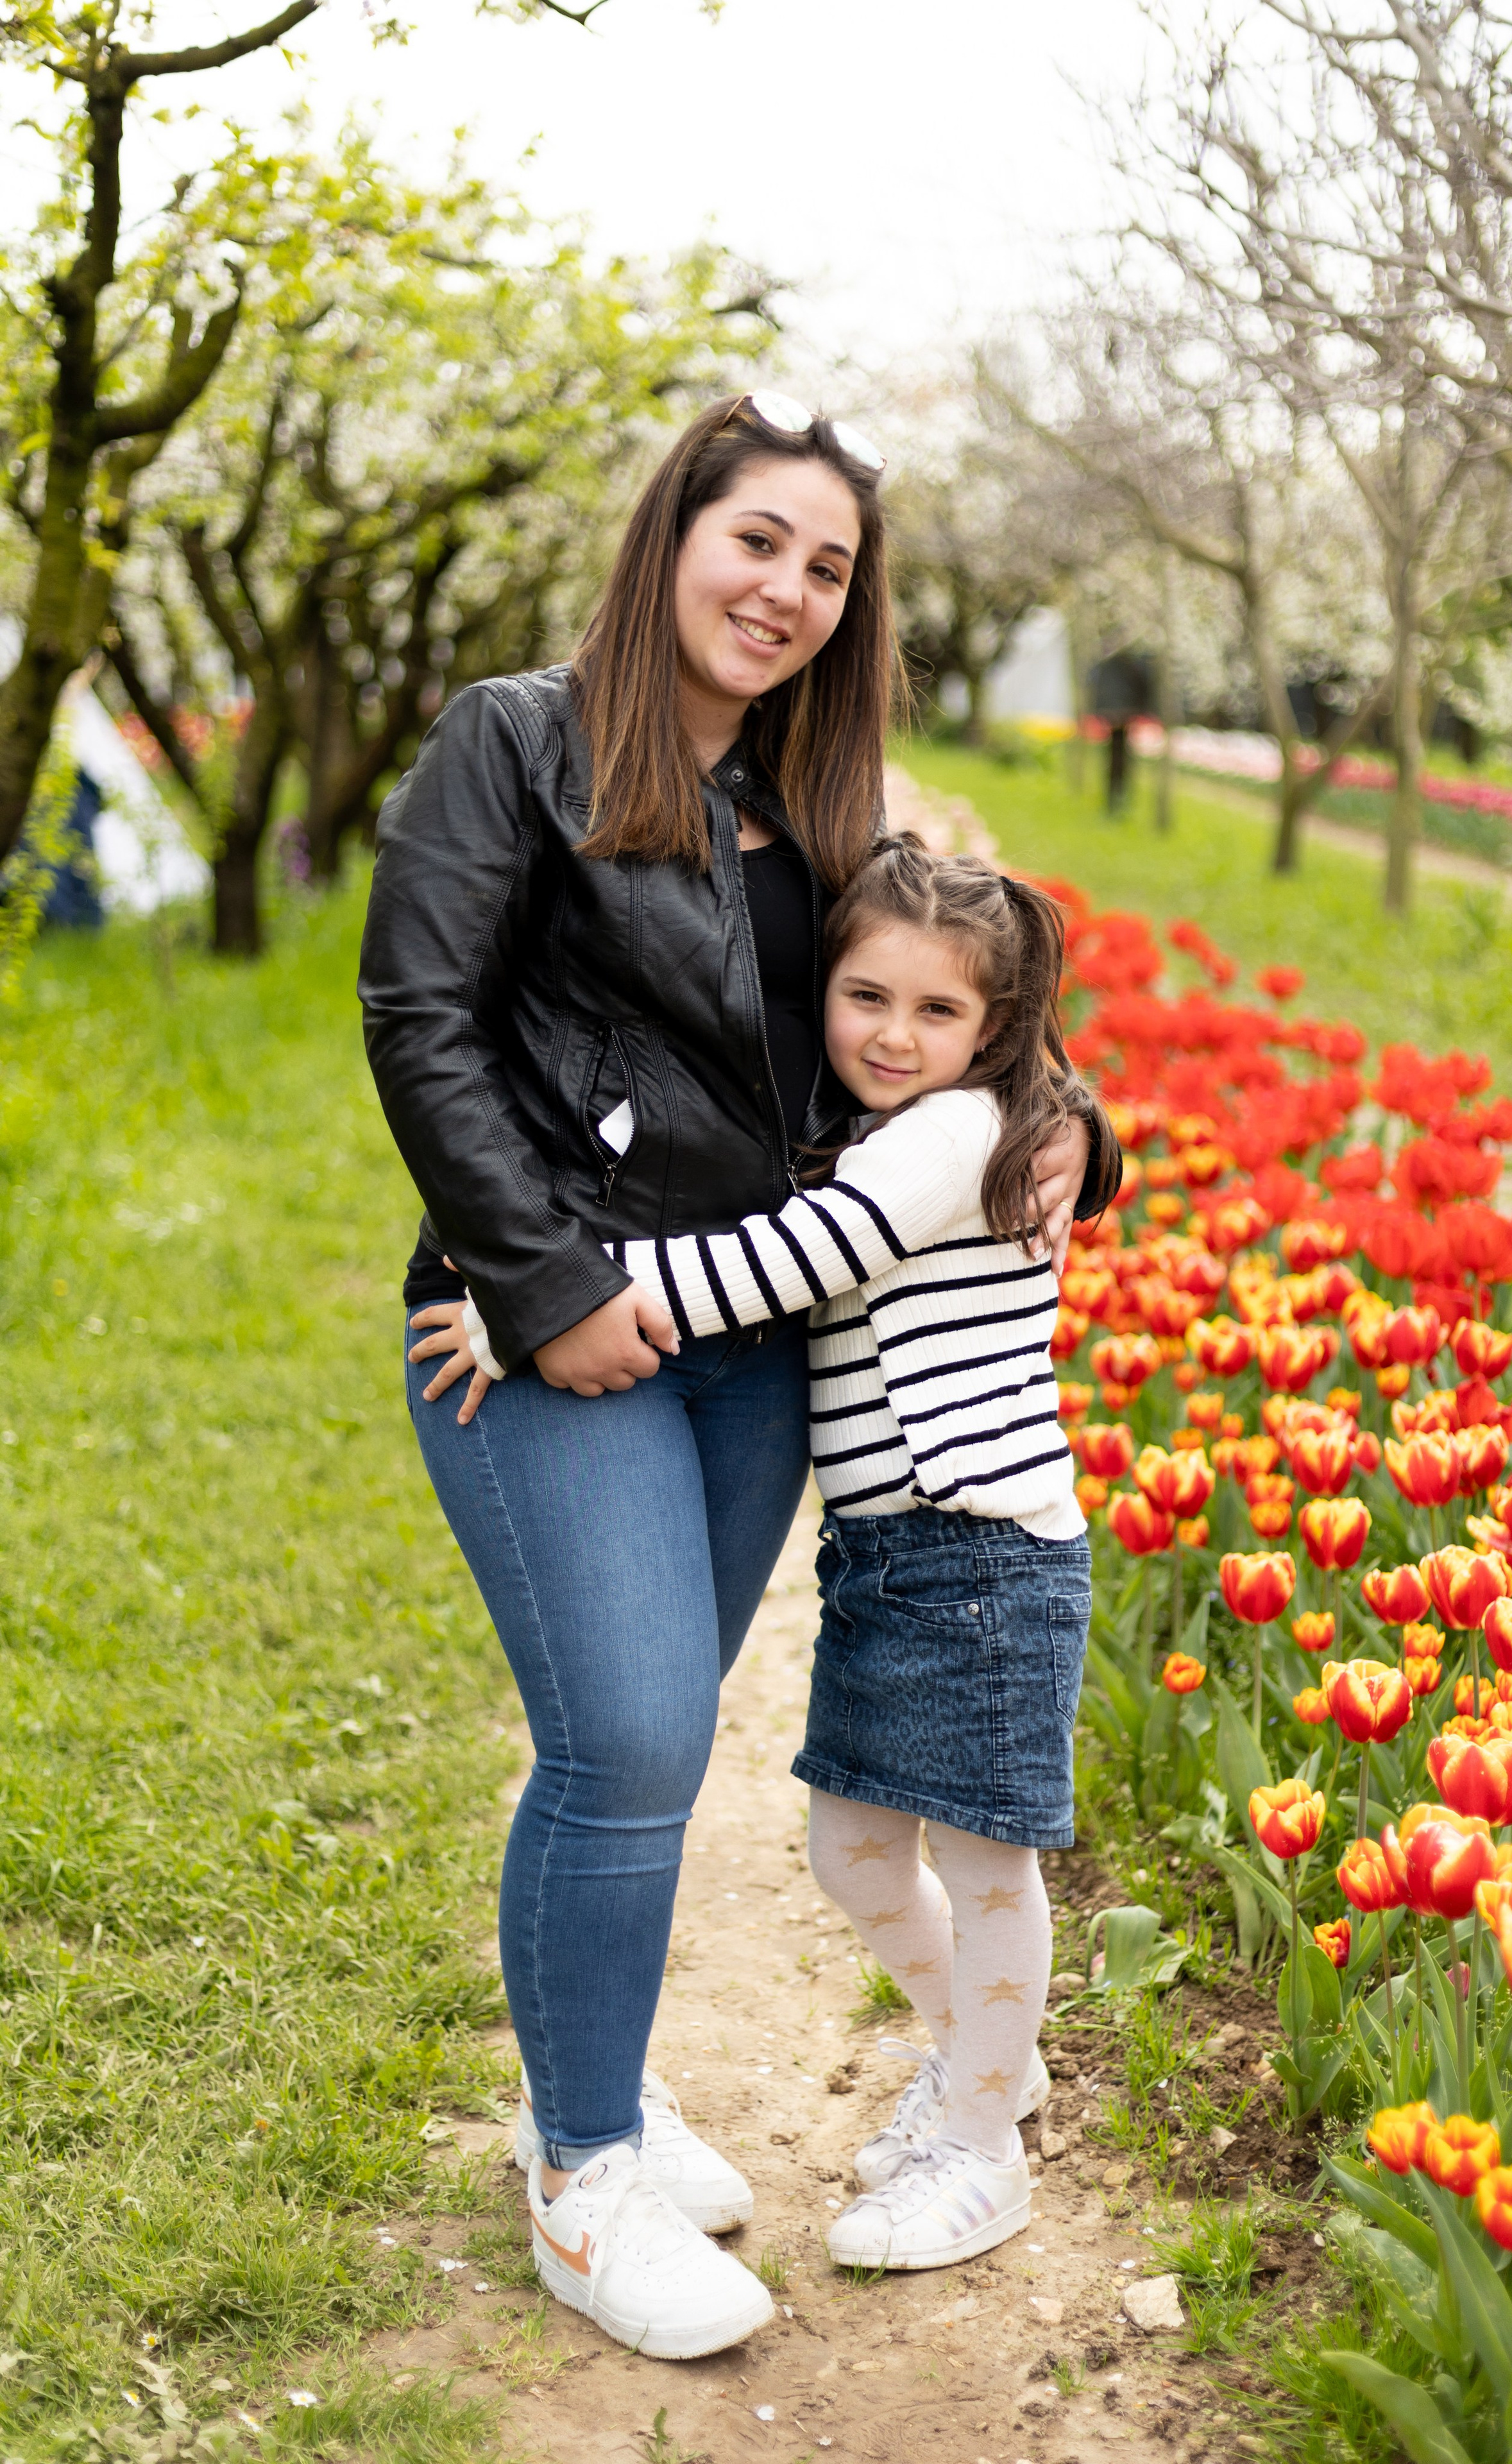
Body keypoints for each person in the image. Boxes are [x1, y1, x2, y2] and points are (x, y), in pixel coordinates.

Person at [359, 393, 1100, 2361]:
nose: (786, 588)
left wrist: (1073, 1124)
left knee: (652, 1732)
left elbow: (972, 1007)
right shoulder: (514, 743)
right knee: (624, 1736)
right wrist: (534, 1285)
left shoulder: (823, 803)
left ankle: (579, 2078)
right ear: (673, 535)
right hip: (557, 1333)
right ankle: (584, 2175)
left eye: (829, 567)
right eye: (756, 539)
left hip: (755, 1352)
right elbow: (419, 1020)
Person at [456, 835, 1121, 2272]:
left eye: (935, 1013)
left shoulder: (948, 1137)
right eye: (863, 996)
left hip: (984, 1556)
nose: (891, 1034)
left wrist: (540, 1289)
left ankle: (980, 2145)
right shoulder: (897, 1123)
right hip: (890, 1557)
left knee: (987, 1866)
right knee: (853, 1851)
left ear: (993, 1030)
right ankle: (978, 2067)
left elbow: (787, 1261)